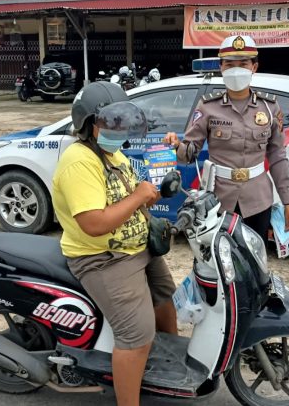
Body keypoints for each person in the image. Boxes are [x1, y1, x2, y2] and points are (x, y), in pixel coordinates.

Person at [52, 82, 177, 406]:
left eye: (121, 120)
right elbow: (93, 223)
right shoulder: (80, 161)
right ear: (87, 125)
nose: (118, 127)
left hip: (137, 247)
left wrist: (148, 194)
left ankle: (165, 367)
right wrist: (137, 197)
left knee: (165, 299)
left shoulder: (112, 153)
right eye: (110, 121)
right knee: (136, 336)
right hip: (104, 258)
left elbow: (126, 197)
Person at [163, 35, 289, 242]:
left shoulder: (269, 107)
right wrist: (177, 145)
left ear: (254, 67)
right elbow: (189, 155)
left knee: (255, 254)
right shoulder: (208, 106)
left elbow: (278, 157)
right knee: (215, 254)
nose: (236, 70)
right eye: (229, 64)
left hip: (257, 199)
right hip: (218, 200)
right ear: (221, 68)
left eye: (243, 64)